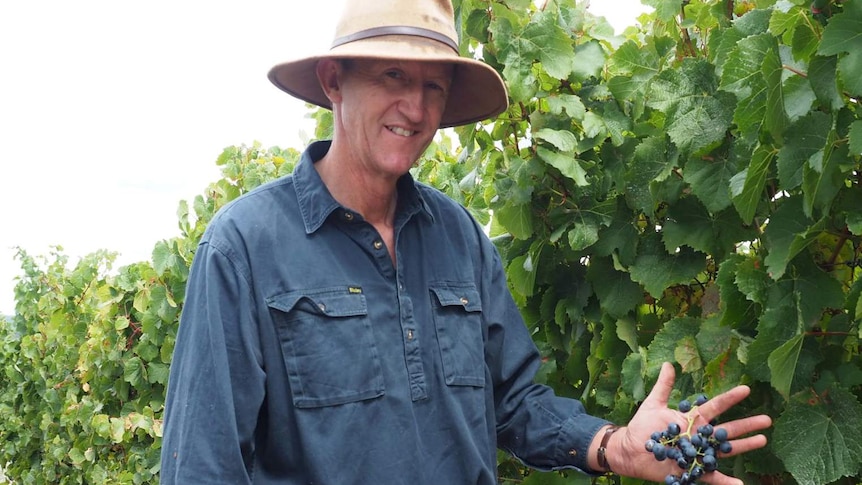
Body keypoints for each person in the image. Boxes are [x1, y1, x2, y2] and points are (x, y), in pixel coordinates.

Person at [159, 0, 772, 483]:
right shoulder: (242, 247)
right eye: (393, 75)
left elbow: (514, 403)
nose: (415, 107)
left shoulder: (459, 238)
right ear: (333, 81)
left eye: (434, 86)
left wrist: (613, 446)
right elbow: (204, 465)